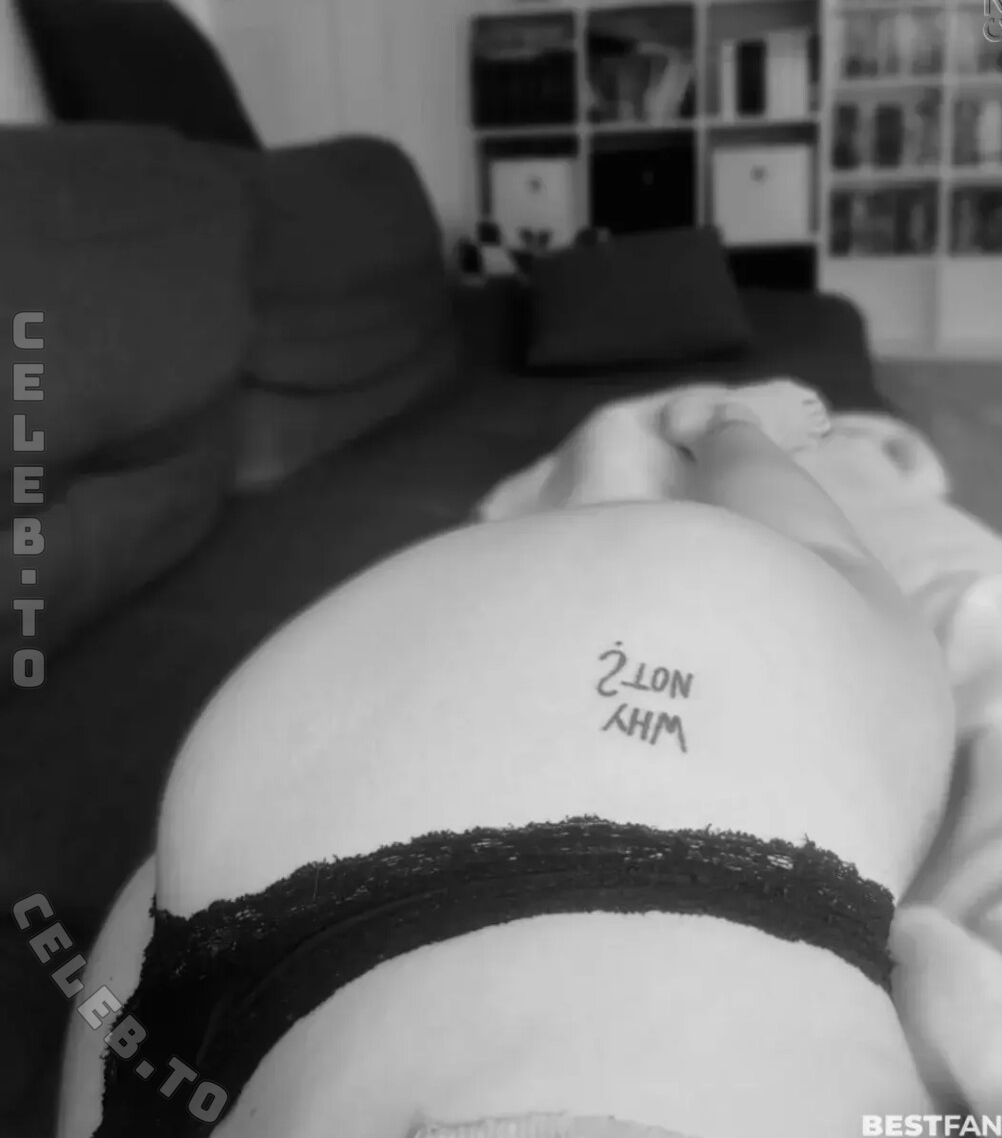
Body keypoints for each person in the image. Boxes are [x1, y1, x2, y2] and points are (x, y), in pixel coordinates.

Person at [61, 381, 955, 1138]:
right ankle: (717, 437)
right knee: (822, 559)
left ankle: (718, 435)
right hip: (283, 852)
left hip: (329, 806)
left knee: (822, 564)